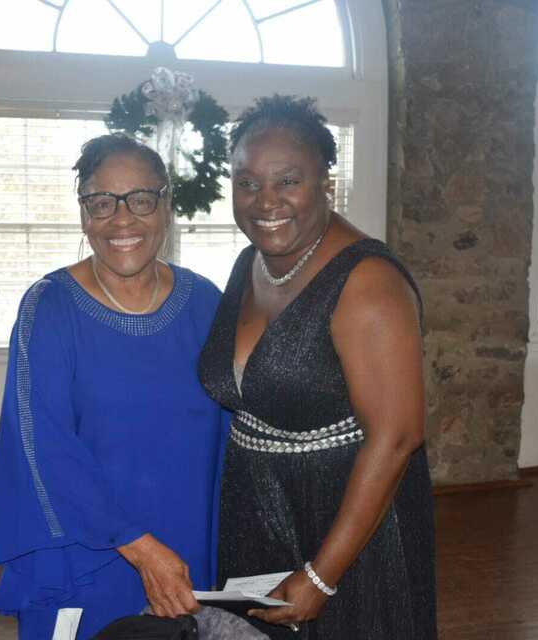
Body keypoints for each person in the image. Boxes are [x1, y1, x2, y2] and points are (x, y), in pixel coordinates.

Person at [198, 95, 436, 638]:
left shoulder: (368, 281)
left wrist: (322, 575)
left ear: (326, 183)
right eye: (247, 182)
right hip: (254, 508)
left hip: (345, 524)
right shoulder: (250, 263)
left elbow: (397, 437)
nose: (265, 201)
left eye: (288, 180)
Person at [0, 134, 228, 640]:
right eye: (102, 202)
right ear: (84, 214)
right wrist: (139, 547)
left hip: (186, 543)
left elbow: (234, 429)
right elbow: (42, 446)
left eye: (141, 199)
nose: (122, 219)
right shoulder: (50, 308)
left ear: (166, 206)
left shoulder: (205, 302)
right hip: (84, 549)